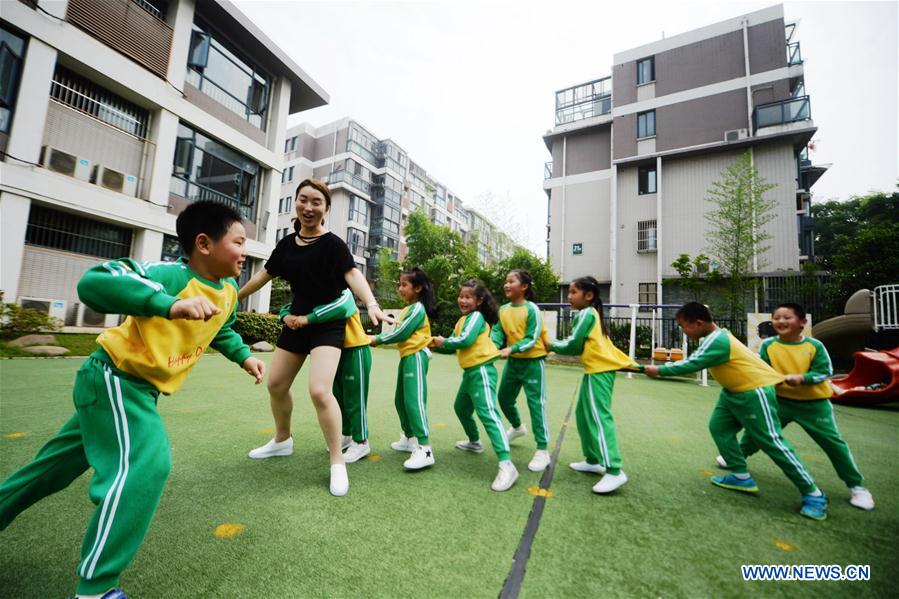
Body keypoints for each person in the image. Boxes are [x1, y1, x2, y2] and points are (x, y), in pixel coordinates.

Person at [0, 201, 265, 599]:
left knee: (51, 469)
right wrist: (169, 303)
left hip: (136, 390)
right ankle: (97, 587)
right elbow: (94, 282)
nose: (245, 252)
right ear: (204, 244)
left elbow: (220, 329)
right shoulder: (169, 276)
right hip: (112, 379)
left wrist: (244, 356)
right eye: (239, 241)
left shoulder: (228, 290)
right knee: (147, 460)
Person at [238, 179, 389, 497]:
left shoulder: (333, 244)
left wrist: (371, 303)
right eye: (303, 200)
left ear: (326, 209)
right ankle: (282, 440)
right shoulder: (286, 245)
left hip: (327, 326)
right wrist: (234, 298)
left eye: (316, 202)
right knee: (276, 385)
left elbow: (353, 275)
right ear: (296, 203)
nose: (309, 207)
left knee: (320, 391)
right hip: (295, 323)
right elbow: (262, 276)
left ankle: (337, 462)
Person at [645, 302, 828, 520]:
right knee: (719, 427)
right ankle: (741, 476)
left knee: (771, 441)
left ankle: (813, 494)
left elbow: (692, 364)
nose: (683, 331)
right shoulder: (714, 337)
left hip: (754, 392)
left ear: (699, 323)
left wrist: (659, 370)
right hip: (732, 392)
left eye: (684, 326)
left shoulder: (718, 340)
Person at [717, 303, 874, 511]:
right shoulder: (768, 345)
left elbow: (824, 372)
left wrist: (802, 378)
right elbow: (761, 368)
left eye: (787, 317)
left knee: (833, 443)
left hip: (814, 405)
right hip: (780, 401)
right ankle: (736, 460)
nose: (781, 321)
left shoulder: (814, 346)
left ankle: (857, 487)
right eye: (777, 317)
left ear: (802, 323)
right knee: (756, 434)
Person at [549, 276, 635, 494]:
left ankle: (615, 470)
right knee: (583, 415)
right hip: (593, 370)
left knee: (598, 417)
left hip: (600, 371)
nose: (569, 297)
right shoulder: (585, 314)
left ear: (589, 296)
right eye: (568, 292)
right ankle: (593, 459)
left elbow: (574, 345)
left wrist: (550, 345)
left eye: (573, 292)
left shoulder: (587, 314)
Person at [431, 279, 518, 491]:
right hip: (471, 373)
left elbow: (465, 340)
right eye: (461, 296)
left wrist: (444, 341)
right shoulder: (463, 320)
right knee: (461, 408)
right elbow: (453, 343)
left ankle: (507, 464)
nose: (463, 300)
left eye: (468, 297)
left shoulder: (476, 317)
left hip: (481, 371)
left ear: (479, 300)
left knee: (488, 414)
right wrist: (431, 343)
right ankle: (474, 442)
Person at [279, 288, 373, 463]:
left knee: (354, 399)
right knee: (338, 398)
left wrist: (308, 319)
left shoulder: (344, 293)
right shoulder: (317, 295)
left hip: (356, 351)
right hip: (336, 351)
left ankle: (361, 441)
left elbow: (340, 307)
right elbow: (290, 307)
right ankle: (345, 435)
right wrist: (285, 316)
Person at [370, 267, 436, 470]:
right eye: (400, 284)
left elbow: (403, 332)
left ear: (417, 288)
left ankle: (425, 449)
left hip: (416, 355)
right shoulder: (409, 308)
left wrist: (376, 338)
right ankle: (409, 438)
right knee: (401, 400)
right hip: (407, 356)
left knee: (413, 401)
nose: (400, 289)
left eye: (404, 285)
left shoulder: (417, 308)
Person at [491, 269, 552, 472]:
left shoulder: (532, 309)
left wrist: (512, 349)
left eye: (511, 281)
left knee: (536, 404)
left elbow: (532, 338)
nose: (506, 285)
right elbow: (498, 332)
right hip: (513, 363)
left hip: (533, 362)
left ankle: (542, 450)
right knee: (504, 399)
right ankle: (517, 427)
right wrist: (492, 347)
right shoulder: (504, 310)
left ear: (524, 286)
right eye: (505, 281)